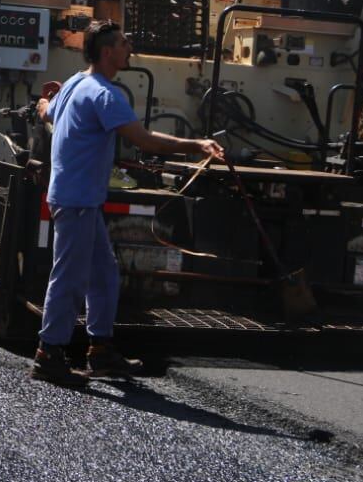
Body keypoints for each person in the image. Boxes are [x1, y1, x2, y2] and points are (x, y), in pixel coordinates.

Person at [31, 20, 224, 387]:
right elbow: (145, 141)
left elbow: (47, 113)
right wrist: (196, 145)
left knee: (103, 273)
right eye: (122, 43)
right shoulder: (105, 95)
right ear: (107, 53)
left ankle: (101, 350)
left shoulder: (74, 83)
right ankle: (48, 354)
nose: (128, 47)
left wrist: (42, 102)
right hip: (77, 201)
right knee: (69, 278)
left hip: (77, 198)